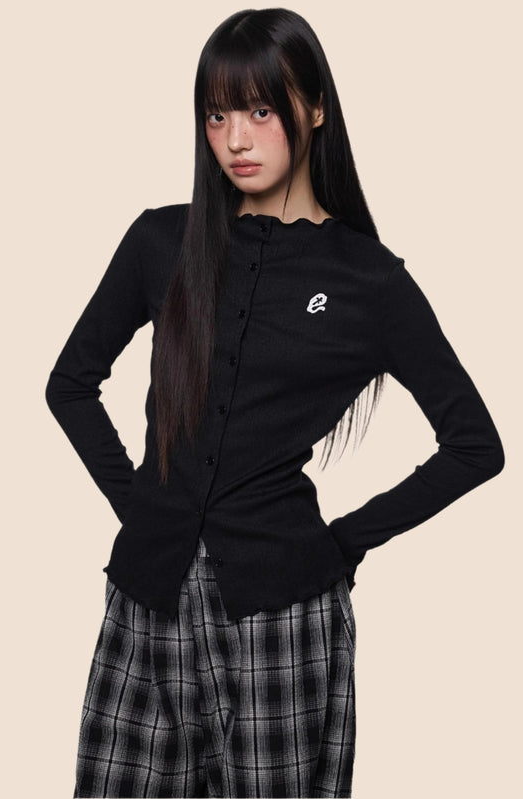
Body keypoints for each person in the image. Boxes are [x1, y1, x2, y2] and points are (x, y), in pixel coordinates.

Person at [45, 7, 505, 799]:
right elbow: (70, 383)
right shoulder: (161, 241)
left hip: (281, 615)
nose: (235, 139)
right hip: (144, 602)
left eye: (260, 111)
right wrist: (142, 504)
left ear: (314, 107)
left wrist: (345, 541)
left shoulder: (366, 280)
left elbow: (475, 445)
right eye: (216, 115)